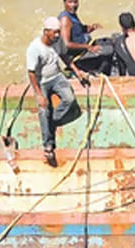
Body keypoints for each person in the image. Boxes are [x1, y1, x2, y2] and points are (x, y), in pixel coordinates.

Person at [28, 17, 87, 168]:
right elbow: (31, 73)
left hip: (57, 77)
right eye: (54, 33)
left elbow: (64, 57)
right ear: (46, 32)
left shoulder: (57, 41)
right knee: (43, 109)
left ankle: (51, 122)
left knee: (69, 99)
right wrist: (39, 94)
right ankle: (48, 145)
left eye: (58, 32)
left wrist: (77, 71)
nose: (56, 35)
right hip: (42, 81)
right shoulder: (35, 48)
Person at [58, 0, 111, 74]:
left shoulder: (72, 15)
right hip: (80, 56)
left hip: (86, 46)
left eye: (75, 2)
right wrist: (87, 47)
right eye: (70, 2)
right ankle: (98, 74)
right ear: (64, 3)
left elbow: (80, 29)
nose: (73, 5)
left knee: (110, 41)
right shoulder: (65, 19)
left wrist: (92, 27)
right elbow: (66, 44)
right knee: (109, 51)